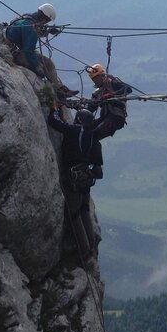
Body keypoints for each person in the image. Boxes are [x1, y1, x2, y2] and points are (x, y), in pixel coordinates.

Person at [47, 107, 102, 258]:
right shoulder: (92, 137)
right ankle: (90, 244)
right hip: (86, 178)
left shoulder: (73, 131)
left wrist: (54, 110)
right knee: (84, 209)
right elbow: (98, 166)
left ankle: (84, 251)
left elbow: (53, 121)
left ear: (78, 119)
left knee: (74, 214)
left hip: (73, 177)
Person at [4, 3, 57, 79]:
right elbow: (29, 50)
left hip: (14, 47)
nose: (46, 23)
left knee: (47, 63)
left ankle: (56, 84)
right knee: (47, 65)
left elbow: (30, 33)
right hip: (19, 53)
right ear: (43, 17)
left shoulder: (27, 17)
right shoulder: (31, 27)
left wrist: (48, 31)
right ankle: (56, 85)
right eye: (47, 21)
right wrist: (37, 66)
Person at [85, 63, 131, 140]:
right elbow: (91, 109)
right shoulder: (97, 93)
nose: (95, 80)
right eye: (93, 79)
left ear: (102, 75)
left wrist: (112, 94)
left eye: (96, 77)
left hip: (116, 117)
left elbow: (128, 89)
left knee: (94, 134)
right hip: (104, 117)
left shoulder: (113, 83)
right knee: (85, 130)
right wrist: (79, 107)